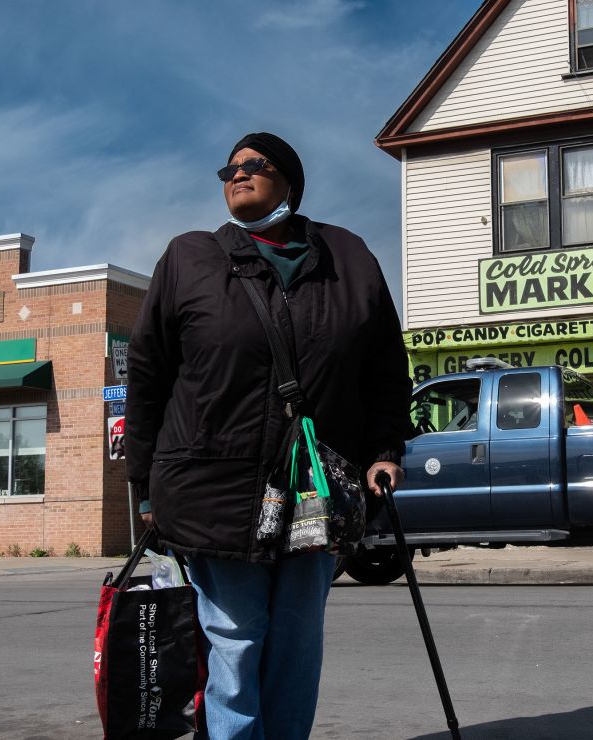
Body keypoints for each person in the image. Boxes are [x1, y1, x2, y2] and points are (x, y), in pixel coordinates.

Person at [125, 131, 413, 740]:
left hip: (315, 483)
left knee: (296, 636)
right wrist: (145, 483)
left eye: (254, 164)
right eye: (228, 167)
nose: (237, 173)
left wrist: (385, 449)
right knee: (235, 634)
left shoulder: (348, 256)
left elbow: (385, 365)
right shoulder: (189, 257)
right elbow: (149, 376)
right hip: (213, 486)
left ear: (290, 181)